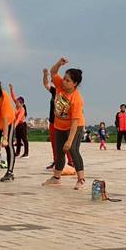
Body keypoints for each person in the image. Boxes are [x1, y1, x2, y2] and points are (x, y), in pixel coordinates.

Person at [42, 57, 87, 190]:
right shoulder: (60, 85)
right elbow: (53, 72)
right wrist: (58, 64)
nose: (64, 81)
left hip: (75, 126)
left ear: (75, 83)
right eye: (64, 78)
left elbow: (75, 122)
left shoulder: (76, 99)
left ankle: (81, 179)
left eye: (68, 80)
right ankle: (56, 178)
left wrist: (69, 140)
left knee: (73, 149)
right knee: (59, 152)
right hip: (59, 125)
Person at [10, 84, 29, 158]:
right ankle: (17, 153)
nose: (16, 103)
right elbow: (13, 97)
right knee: (18, 139)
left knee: (24, 139)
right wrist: (11, 89)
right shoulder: (17, 107)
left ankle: (26, 153)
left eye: (18, 102)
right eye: (16, 102)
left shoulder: (22, 110)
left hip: (22, 125)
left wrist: (13, 126)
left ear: (21, 104)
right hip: (17, 125)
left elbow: (18, 119)